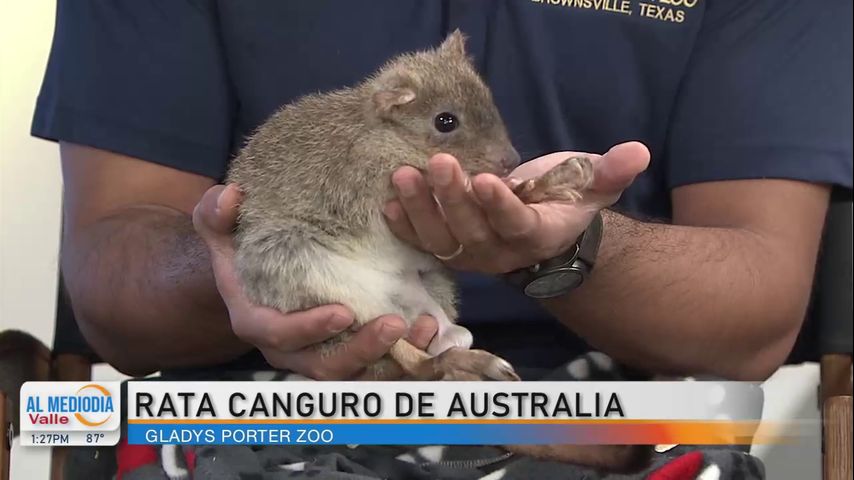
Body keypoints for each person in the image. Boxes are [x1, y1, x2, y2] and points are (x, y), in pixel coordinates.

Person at [32, 1, 851, 478]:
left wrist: (567, 250)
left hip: (610, 418)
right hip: (253, 420)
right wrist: (252, 262)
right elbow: (112, 289)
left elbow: (756, 318)